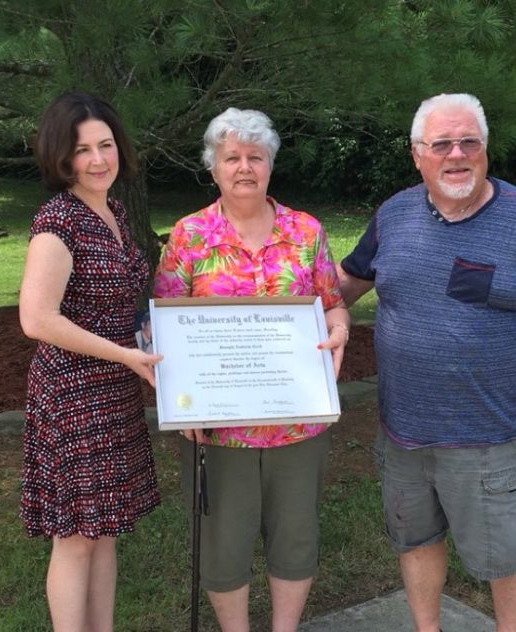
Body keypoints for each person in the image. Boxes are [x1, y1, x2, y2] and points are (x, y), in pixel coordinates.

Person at [337, 93, 516, 632]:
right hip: (404, 432)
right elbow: (347, 284)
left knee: (507, 553)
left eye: (469, 142)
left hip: (490, 436)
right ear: (417, 155)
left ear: (485, 150)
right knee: (416, 538)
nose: (457, 154)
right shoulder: (394, 215)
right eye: (442, 143)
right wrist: (272, 313)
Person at [154, 107, 350, 632]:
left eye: (255, 157)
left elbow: (332, 302)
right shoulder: (189, 235)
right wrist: (176, 400)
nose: (245, 167)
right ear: (213, 167)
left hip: (297, 420)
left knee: (296, 538)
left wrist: (340, 329)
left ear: (270, 165)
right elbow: (164, 326)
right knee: (224, 545)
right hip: (218, 427)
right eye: (232, 157)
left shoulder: (305, 231)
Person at [19, 92, 162, 632]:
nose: (99, 159)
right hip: (74, 394)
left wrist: (141, 335)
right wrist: (124, 353)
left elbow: (119, 299)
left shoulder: (114, 210)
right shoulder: (59, 220)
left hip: (114, 386)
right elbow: (36, 318)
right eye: (83, 150)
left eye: (106, 145)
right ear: (62, 157)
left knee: (104, 529)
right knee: (76, 536)